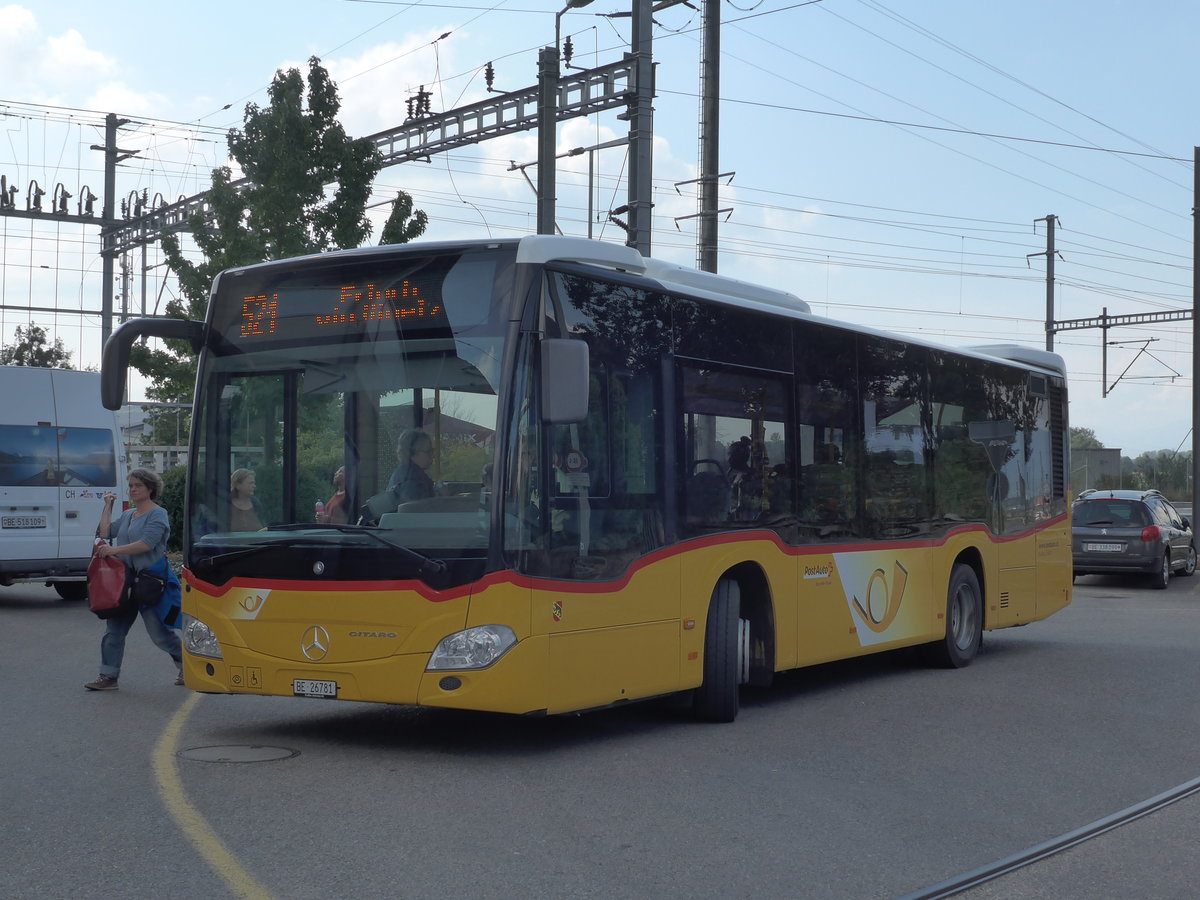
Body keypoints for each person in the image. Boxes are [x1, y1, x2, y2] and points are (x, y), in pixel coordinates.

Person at [84, 468, 182, 691]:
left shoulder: (158, 514)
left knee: (159, 635)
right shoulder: (129, 515)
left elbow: (146, 544)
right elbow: (106, 531)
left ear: (150, 488)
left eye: (138, 485)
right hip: (125, 583)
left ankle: (186, 665)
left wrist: (113, 550)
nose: (133, 489)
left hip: (150, 583)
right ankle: (108, 677)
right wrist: (107, 506)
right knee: (114, 630)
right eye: (130, 486)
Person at [387, 429, 436, 503]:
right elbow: (422, 510)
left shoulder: (404, 473)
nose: (433, 455)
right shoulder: (411, 480)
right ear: (412, 453)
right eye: (429, 451)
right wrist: (442, 498)